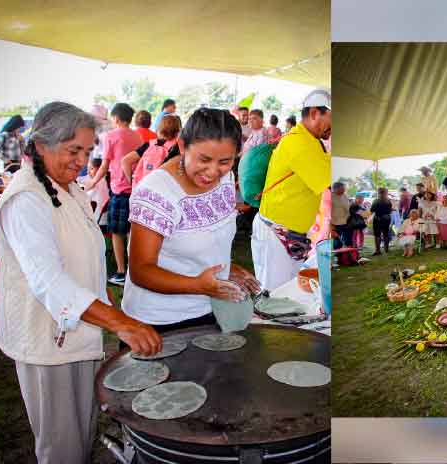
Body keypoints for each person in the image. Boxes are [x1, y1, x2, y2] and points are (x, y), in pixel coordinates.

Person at [0, 102, 161, 463]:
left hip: (81, 334)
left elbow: (85, 267)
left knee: (82, 434)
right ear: (41, 146)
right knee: (62, 448)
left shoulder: (66, 188)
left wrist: (112, 316)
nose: (82, 161)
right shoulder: (26, 199)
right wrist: (122, 323)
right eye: (74, 151)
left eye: (87, 152)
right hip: (48, 343)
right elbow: (49, 281)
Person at [123, 108, 259, 332]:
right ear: (183, 146)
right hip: (160, 321)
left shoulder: (226, 179)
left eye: (225, 161)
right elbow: (141, 270)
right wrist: (198, 285)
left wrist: (225, 269)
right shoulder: (156, 192)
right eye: (204, 159)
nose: (213, 171)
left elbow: (210, 237)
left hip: (211, 308)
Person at [252, 89, 331, 291]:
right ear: (315, 113)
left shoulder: (312, 141)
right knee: (276, 296)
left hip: (290, 232)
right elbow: (329, 182)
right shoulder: (299, 142)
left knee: (292, 293)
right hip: (276, 233)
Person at [86, 102, 143, 286]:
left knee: (117, 233)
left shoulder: (110, 137)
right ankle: (135, 272)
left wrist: (92, 182)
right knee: (132, 233)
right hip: (136, 189)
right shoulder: (137, 136)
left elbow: (104, 165)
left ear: (116, 118)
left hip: (119, 190)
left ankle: (120, 272)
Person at [122, 114, 182, 190]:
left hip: (142, 190)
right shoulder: (178, 149)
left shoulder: (150, 144)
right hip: (162, 192)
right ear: (178, 131)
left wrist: (133, 182)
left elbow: (125, 161)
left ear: (160, 128)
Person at [370, 187, 393, 255]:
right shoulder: (388, 201)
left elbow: (372, 210)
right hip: (387, 219)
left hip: (378, 219)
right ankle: (386, 249)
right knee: (386, 234)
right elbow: (390, 210)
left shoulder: (376, 201)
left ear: (379, 192)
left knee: (377, 234)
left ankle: (377, 250)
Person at [331, 181, 351, 247]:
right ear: (335, 189)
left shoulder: (345, 196)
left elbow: (348, 208)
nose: (344, 190)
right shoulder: (330, 197)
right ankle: (337, 254)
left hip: (346, 221)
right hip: (335, 223)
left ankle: (346, 254)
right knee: (337, 241)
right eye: (342, 189)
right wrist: (331, 226)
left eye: (344, 189)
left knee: (348, 240)